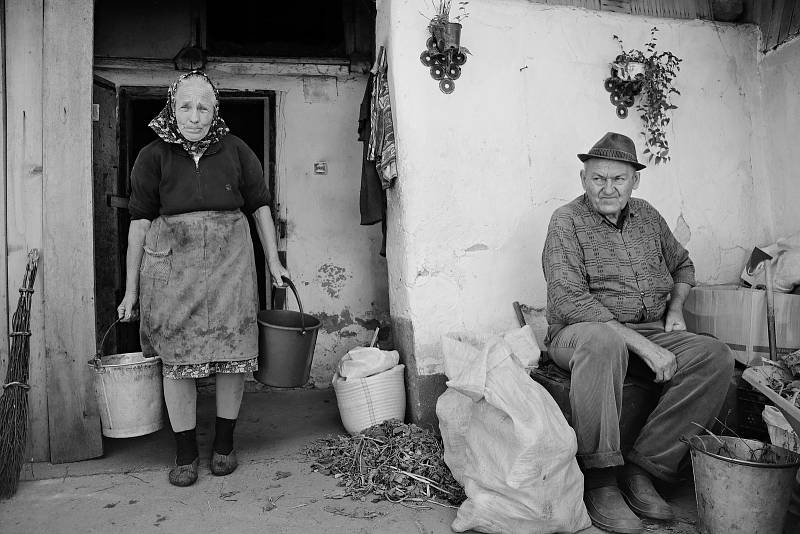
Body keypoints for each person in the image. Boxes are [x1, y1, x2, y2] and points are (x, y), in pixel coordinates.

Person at [541, 132, 734, 534]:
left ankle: (643, 468)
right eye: (598, 178)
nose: (608, 188)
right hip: (579, 333)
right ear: (583, 179)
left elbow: (683, 266)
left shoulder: (647, 215)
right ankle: (600, 480)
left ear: (635, 181)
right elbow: (569, 299)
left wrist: (676, 309)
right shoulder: (566, 220)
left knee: (714, 356)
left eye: (619, 179)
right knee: (603, 339)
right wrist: (645, 346)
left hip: (648, 328)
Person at [117, 70, 289, 487]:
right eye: (186, 106)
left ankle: (225, 444)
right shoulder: (152, 156)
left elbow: (261, 207)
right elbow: (138, 224)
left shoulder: (236, 150)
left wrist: (274, 261)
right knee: (177, 358)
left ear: (216, 110)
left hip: (230, 261)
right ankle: (185, 451)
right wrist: (130, 290)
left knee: (234, 348)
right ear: (172, 109)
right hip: (171, 266)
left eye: (204, 107)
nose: (195, 116)